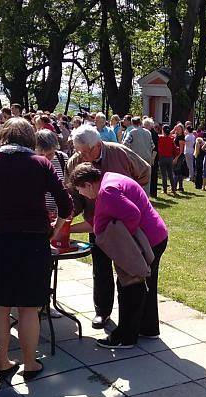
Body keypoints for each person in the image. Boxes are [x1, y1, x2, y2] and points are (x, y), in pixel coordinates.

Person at [0, 119, 72, 381]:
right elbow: (66, 206)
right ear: (29, 138)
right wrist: (54, 230)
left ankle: (2, 363)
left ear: (3, 136)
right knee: (29, 307)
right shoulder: (41, 163)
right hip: (34, 242)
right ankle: (30, 363)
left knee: (0, 305)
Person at [69, 164, 168, 349]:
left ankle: (124, 337)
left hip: (149, 241)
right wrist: (68, 230)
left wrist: (125, 239)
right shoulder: (109, 180)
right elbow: (96, 222)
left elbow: (133, 214)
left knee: (129, 286)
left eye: (80, 189)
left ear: (89, 184)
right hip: (156, 235)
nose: (81, 194)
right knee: (143, 284)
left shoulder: (107, 192)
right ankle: (148, 329)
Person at [65, 125, 151, 329]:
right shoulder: (75, 162)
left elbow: (145, 171)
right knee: (101, 269)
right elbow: (75, 194)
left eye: (87, 151)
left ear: (98, 144)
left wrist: (130, 194)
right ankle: (102, 312)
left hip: (125, 223)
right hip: (95, 224)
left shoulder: (118, 152)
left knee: (128, 268)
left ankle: (129, 318)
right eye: (79, 151)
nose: (83, 156)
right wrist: (70, 214)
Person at [35, 129, 70, 219]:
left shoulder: (63, 158)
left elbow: (68, 186)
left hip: (59, 214)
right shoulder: (31, 161)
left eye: (50, 154)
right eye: (42, 155)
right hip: (38, 214)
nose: (46, 159)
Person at [157, 125, 177, 195]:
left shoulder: (160, 138)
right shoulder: (171, 139)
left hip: (162, 158)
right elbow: (175, 149)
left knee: (164, 175)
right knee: (170, 174)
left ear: (163, 131)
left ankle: (165, 189)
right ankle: (173, 189)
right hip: (170, 158)